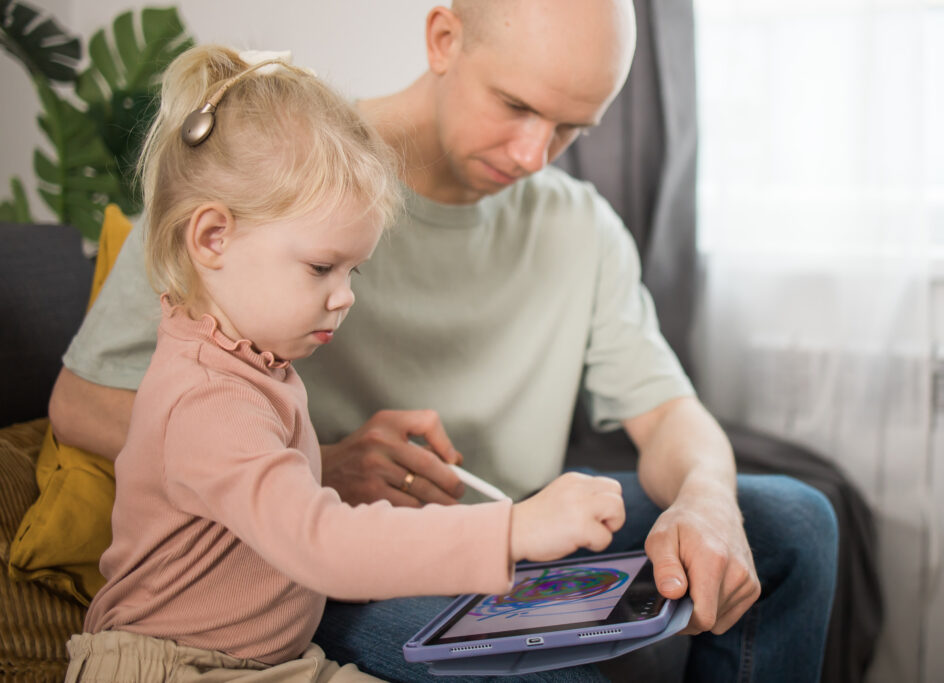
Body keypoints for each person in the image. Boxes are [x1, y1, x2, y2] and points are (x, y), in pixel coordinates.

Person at [50, 1, 839, 681]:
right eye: (516, 106)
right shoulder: (274, 180)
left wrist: (705, 501)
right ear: (443, 40)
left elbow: (669, 416)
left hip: (517, 518)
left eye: (571, 128)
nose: (534, 154)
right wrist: (316, 461)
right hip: (345, 551)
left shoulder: (579, 225)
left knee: (795, 522)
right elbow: (84, 402)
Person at [62, 44, 627, 682]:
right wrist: (513, 530)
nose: (345, 295)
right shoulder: (209, 400)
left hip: (263, 660)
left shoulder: (251, 362)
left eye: (352, 269)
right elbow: (320, 543)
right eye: (320, 267)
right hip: (178, 669)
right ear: (213, 237)